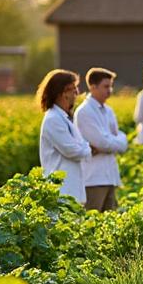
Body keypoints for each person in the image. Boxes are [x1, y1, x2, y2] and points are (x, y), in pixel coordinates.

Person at [74, 67, 128, 212]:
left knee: (108, 225)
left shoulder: (108, 111)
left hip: (110, 175)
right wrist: (114, 141)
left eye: (110, 86)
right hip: (94, 178)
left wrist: (112, 142)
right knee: (92, 222)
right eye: (106, 86)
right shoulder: (84, 112)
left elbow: (120, 141)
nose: (109, 90)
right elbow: (103, 143)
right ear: (93, 87)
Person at [36, 69, 92, 203]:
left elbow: (80, 146)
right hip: (61, 192)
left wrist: (84, 147)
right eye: (73, 89)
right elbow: (73, 150)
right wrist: (88, 148)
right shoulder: (53, 119)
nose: (76, 93)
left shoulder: (64, 118)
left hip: (71, 190)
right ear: (62, 93)